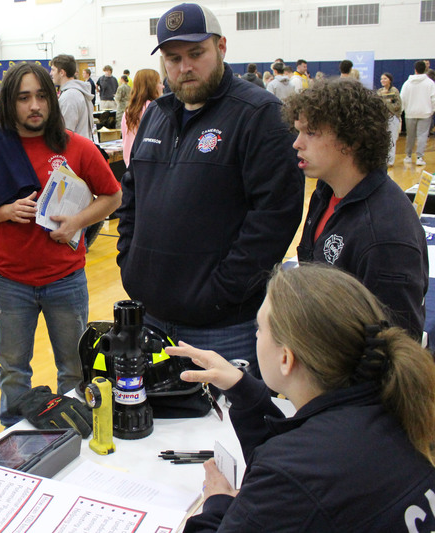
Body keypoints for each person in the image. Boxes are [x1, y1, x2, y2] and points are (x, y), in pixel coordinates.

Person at [176, 263, 435, 532]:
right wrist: (245, 393)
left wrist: (218, 504)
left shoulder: (293, 473)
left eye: (260, 328)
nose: (255, 335)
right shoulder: (403, 405)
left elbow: (294, 479)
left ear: (286, 359)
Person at [117, 2, 303, 371]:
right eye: (173, 58)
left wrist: (220, 293)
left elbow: (274, 218)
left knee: (229, 427)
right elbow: (132, 196)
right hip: (151, 317)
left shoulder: (259, 115)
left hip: (223, 327)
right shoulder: (156, 114)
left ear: (221, 48)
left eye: (195, 53)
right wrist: (130, 264)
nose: (184, 67)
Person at [0, 62, 122, 426]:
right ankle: (14, 436)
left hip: (65, 280)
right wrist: (5, 211)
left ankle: (71, 431)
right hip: (10, 283)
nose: (34, 105)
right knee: (13, 371)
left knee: (72, 368)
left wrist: (77, 223)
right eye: (24, 98)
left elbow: (112, 196)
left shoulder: (78, 147)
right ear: (10, 103)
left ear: (52, 100)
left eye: (41, 96)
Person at [288, 78, 428, 339]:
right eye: (298, 132)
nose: (297, 143)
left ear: (351, 140)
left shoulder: (386, 236)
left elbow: (396, 350)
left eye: (311, 133)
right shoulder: (325, 191)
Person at [121, 69, 161, 166]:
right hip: (150, 166)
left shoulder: (128, 111)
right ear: (152, 86)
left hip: (130, 164)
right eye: (159, 83)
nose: (162, 86)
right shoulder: (155, 109)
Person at [50, 54, 94, 140]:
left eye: (53, 70)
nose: (51, 73)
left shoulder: (70, 96)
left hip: (76, 149)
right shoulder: (76, 92)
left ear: (62, 72)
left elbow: (66, 132)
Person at [400, 60, 435, 166]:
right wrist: (432, 110)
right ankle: (419, 157)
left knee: (410, 135)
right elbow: (433, 98)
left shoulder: (407, 83)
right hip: (425, 113)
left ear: (415, 69)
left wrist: (401, 111)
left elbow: (402, 98)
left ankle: (408, 156)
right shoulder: (430, 83)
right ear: (425, 69)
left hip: (410, 113)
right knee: (422, 135)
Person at [378, 72, 402, 166]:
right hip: (382, 118)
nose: (383, 80)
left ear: (390, 80)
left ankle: (390, 161)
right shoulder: (379, 91)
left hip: (392, 117)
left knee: (392, 139)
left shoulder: (394, 91)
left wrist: (386, 102)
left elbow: (397, 106)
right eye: (381, 79)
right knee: (382, 139)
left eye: (385, 78)